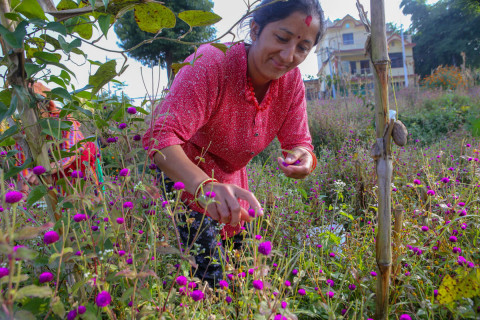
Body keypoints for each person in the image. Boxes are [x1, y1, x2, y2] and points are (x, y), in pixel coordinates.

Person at [142, 0, 324, 286]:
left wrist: (304, 158)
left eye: (302, 48)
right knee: (207, 276)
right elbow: (160, 136)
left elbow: (299, 142)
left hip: (230, 179)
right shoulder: (211, 62)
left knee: (242, 267)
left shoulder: (291, 82)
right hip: (182, 172)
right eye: (282, 38)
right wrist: (203, 186)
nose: (289, 55)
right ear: (255, 29)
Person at [15, 82, 101, 201]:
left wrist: (41, 170)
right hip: (54, 174)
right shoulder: (25, 132)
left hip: (80, 166)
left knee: (89, 202)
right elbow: (23, 163)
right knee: (64, 205)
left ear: (45, 104)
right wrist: (21, 194)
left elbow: (70, 153)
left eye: (34, 104)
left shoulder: (63, 120)